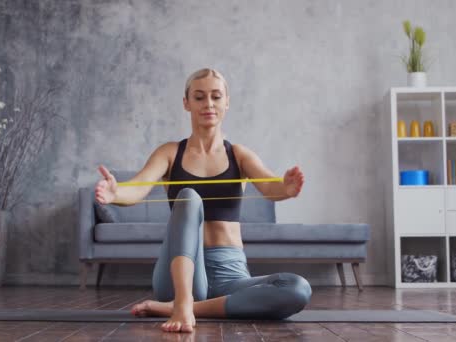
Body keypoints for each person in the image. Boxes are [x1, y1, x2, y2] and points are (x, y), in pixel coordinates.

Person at [95, 68, 311, 333]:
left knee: (297, 288)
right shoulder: (170, 152)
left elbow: (269, 186)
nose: (208, 103)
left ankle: (181, 308)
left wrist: (286, 188)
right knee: (189, 197)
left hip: (231, 275)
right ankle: (183, 300)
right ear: (187, 103)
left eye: (216, 96)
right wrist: (115, 193)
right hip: (178, 274)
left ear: (226, 102)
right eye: (199, 97)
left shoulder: (239, 154)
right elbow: (138, 188)